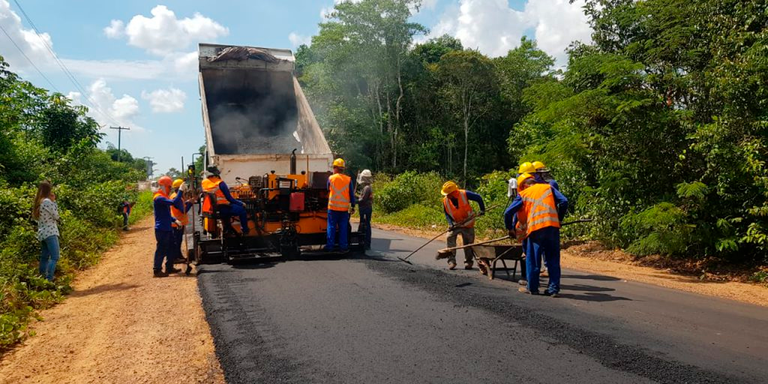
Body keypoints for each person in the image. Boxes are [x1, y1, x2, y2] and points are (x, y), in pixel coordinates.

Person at [504, 173, 568, 296]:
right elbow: (564, 201)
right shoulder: (548, 187)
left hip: (536, 229)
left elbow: (508, 213)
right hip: (553, 228)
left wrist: (510, 229)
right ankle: (553, 289)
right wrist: (559, 218)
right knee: (553, 259)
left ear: (523, 186)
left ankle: (532, 288)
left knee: (533, 258)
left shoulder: (523, 194)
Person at [437, 181, 485, 271]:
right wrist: (450, 223)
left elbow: (478, 198)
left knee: (468, 243)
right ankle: (451, 261)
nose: (447, 196)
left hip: (468, 222)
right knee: (449, 237)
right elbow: (447, 214)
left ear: (454, 192)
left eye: (448, 194)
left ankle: (468, 262)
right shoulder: (445, 200)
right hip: (456, 224)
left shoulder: (464, 194)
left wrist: (482, 210)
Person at [201, 167, 249, 235]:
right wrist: (241, 203)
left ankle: (227, 229)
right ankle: (245, 230)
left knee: (229, 209)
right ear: (216, 174)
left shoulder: (203, 182)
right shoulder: (220, 183)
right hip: (222, 208)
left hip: (211, 209)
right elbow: (230, 198)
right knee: (242, 210)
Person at [153, 176, 184, 277]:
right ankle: (157, 270)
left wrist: (175, 220)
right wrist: (180, 191)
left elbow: (166, 214)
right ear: (163, 186)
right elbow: (174, 202)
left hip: (167, 227)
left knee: (172, 246)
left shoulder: (163, 197)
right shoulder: (158, 198)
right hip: (161, 228)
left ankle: (169, 267)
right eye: (169, 187)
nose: (170, 189)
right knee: (162, 248)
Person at [326, 158, 356, 252]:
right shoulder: (348, 180)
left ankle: (330, 247)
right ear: (343, 169)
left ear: (335, 168)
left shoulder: (331, 178)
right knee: (343, 227)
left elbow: (327, 188)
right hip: (344, 209)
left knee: (331, 227)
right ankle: (343, 247)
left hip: (333, 208)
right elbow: (351, 195)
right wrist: (353, 206)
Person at [33, 181, 60, 281]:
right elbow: (56, 216)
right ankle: (49, 279)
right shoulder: (47, 202)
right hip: (50, 232)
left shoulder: (39, 201)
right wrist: (54, 201)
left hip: (42, 232)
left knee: (44, 257)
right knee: (55, 257)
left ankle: (42, 278)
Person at [170, 179, 193, 262]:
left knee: (178, 241)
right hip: (177, 223)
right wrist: (190, 203)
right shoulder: (177, 197)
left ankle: (179, 256)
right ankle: (176, 257)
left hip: (177, 223)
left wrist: (186, 202)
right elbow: (183, 210)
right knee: (177, 241)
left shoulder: (175, 195)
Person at [356, 169, 374, 250]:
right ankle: (364, 242)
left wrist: (355, 201)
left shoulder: (367, 188)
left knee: (365, 225)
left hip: (365, 208)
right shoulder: (367, 187)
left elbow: (363, 199)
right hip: (366, 208)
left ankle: (366, 242)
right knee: (365, 224)